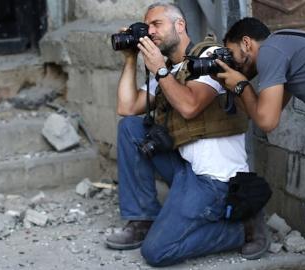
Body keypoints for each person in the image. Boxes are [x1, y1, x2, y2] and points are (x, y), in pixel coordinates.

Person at [105, 2, 271, 266]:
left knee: (156, 252)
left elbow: (190, 106)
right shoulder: (168, 67)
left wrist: (159, 69)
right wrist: (130, 58)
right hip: (185, 168)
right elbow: (126, 107)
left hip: (214, 180)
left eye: (156, 24)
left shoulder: (212, 56)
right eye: (147, 27)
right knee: (130, 128)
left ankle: (243, 228)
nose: (150, 32)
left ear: (179, 25)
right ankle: (142, 219)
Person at [215, 17, 305, 268]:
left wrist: (241, 84)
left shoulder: (271, 51)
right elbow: (264, 115)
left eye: (232, 54)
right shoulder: (285, 46)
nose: (233, 63)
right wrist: (235, 87)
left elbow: (266, 121)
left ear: (246, 43)